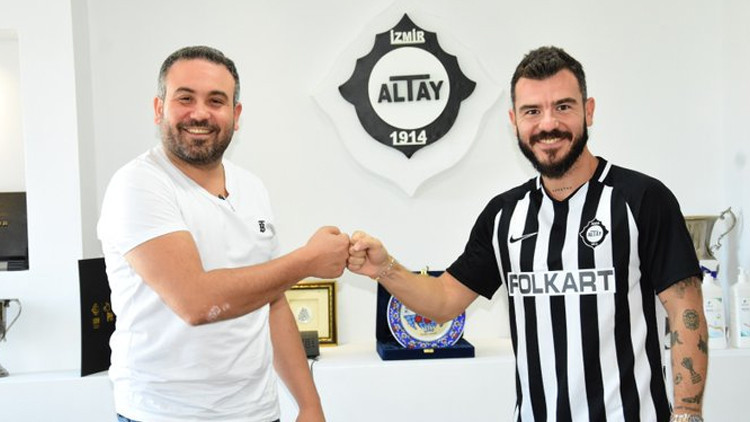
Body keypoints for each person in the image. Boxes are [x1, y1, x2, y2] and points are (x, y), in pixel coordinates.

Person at [348, 46, 707, 422]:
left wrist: (687, 412)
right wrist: (384, 268)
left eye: (563, 106)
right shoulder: (504, 215)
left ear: (588, 111)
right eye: (532, 111)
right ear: (514, 121)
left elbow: (686, 310)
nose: (548, 124)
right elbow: (443, 301)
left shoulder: (643, 199)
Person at [98, 46, 348, 422]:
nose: (200, 113)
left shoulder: (252, 187)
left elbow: (273, 302)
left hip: (257, 412)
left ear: (236, 114)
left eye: (216, 101)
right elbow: (195, 302)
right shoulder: (138, 184)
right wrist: (308, 260)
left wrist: (309, 404)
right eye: (185, 98)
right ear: (158, 108)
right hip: (163, 415)